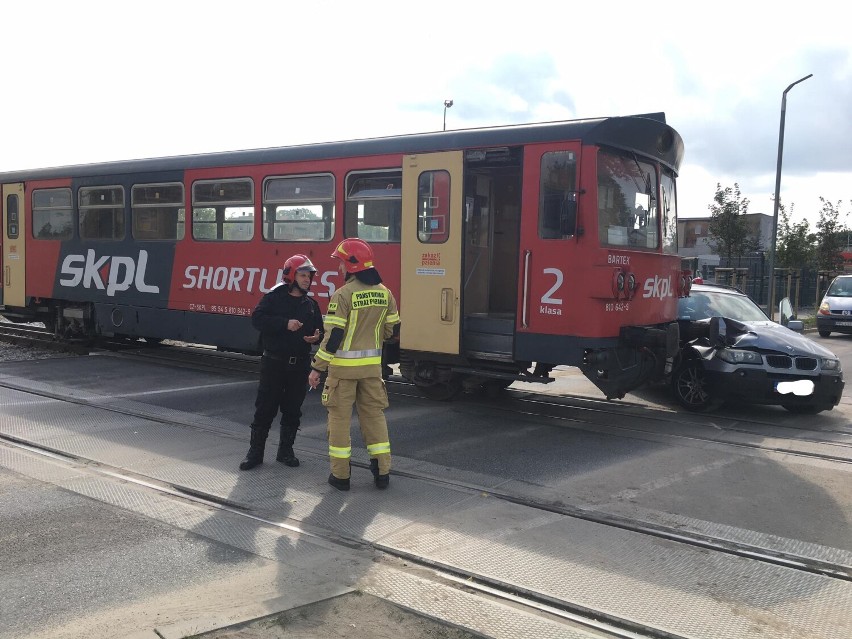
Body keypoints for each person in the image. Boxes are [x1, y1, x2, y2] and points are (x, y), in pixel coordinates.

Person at [308, 238, 400, 491]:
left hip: (343, 372)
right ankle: (382, 473)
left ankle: (341, 476)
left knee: (339, 420)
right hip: (372, 370)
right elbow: (393, 330)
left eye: (339, 262)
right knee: (374, 418)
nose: (338, 267)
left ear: (351, 264)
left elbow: (334, 337)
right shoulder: (385, 293)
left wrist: (317, 368)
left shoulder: (343, 294)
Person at [239, 254, 324, 471]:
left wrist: (317, 337)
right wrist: (284, 324)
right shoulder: (274, 298)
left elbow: (320, 331)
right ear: (291, 276)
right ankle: (255, 453)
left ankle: (285, 451)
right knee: (265, 409)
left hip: (300, 366)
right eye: (303, 275)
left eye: (309, 276)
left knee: (293, 410)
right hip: (274, 364)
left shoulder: (311, 305)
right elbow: (257, 319)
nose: (307, 280)